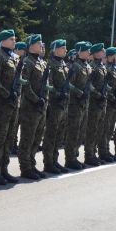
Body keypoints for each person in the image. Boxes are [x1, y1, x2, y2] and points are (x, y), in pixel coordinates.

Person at [0, 29, 21, 185]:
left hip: (13, 104)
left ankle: (4, 169)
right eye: (11, 39)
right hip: (1, 104)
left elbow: (18, 80)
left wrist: (15, 94)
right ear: (3, 41)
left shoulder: (14, 57)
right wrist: (6, 94)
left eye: (14, 39)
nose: (14, 41)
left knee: (9, 138)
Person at [17, 34, 48, 180]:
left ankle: (32, 163)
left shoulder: (41, 62)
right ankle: (25, 167)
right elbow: (25, 85)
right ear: (31, 46)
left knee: (36, 138)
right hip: (30, 107)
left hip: (41, 106)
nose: (41, 45)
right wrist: (36, 99)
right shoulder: (27, 62)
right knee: (27, 139)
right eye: (38, 43)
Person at [41, 39, 70, 174]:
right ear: (55, 49)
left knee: (59, 135)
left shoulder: (63, 63)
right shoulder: (50, 65)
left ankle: (55, 160)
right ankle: (48, 162)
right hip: (54, 104)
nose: (65, 50)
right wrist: (58, 94)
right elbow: (49, 84)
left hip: (63, 105)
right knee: (51, 134)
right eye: (63, 47)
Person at [64, 41, 92, 170]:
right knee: (73, 132)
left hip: (84, 103)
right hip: (74, 103)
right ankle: (70, 159)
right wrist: (79, 92)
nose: (89, 52)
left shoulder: (87, 66)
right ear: (80, 51)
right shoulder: (75, 66)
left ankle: (75, 156)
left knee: (80, 132)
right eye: (86, 50)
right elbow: (68, 84)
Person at [83, 43, 108, 166]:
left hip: (101, 103)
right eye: (102, 51)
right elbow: (89, 84)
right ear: (97, 53)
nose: (104, 53)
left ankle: (94, 153)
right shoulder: (92, 66)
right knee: (92, 130)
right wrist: (97, 94)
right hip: (94, 103)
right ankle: (89, 155)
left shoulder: (102, 66)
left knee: (98, 130)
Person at [97, 47, 116, 162]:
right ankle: (103, 151)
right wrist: (112, 98)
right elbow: (106, 88)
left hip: (113, 102)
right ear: (112, 56)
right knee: (105, 129)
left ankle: (106, 150)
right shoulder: (107, 68)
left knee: (110, 128)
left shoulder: (114, 68)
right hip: (109, 102)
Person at [9, 41, 27, 156]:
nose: (24, 52)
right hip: (13, 97)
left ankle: (14, 144)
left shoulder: (22, 62)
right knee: (13, 125)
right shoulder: (16, 61)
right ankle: (12, 145)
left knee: (16, 123)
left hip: (21, 98)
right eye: (22, 50)